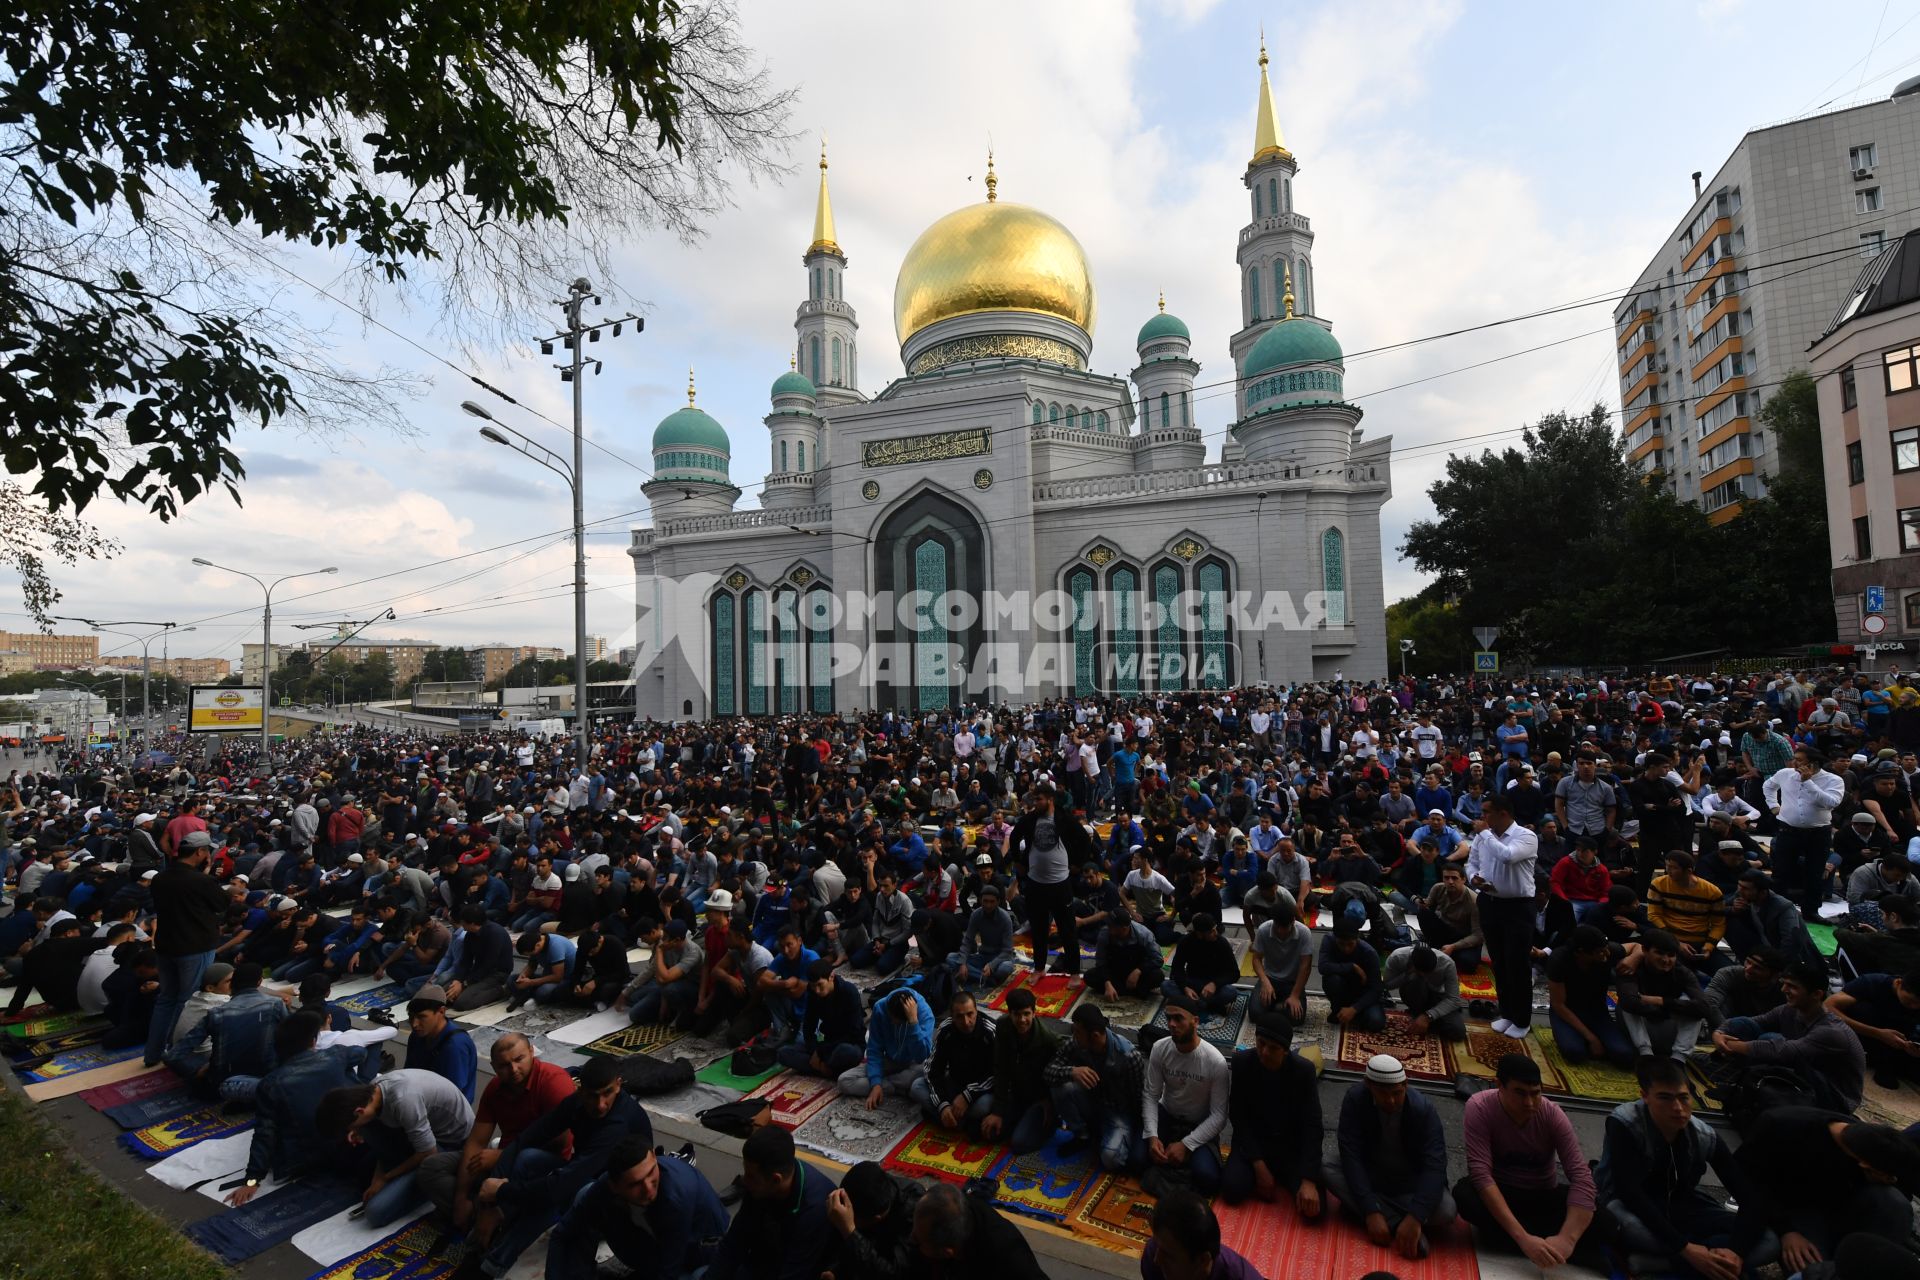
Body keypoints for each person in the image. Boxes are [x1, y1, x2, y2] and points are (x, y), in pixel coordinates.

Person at [466, 1053, 653, 1279]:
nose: (601, 1105)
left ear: (619, 1085)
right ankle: (498, 1221)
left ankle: (491, 1266)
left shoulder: (617, 1125)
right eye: (593, 1096)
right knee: (527, 1158)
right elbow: (531, 1135)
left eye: (608, 1094)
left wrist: (502, 1191)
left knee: (554, 1200)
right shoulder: (577, 1103)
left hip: (619, 1197)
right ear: (581, 1091)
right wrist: (490, 1204)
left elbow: (560, 1187)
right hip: (583, 1171)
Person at [1595, 1057, 1769, 1280]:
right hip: (1631, 1207)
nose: (1677, 1108)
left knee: (1769, 1241)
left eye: (1683, 1098)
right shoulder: (1625, 1123)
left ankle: (1667, 1263)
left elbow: (1749, 1197)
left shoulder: (1704, 1135)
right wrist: (1686, 1248)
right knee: (1627, 1226)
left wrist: (1736, 1253)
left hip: (1683, 1207)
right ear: (1645, 1096)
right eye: (1665, 1098)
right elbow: (1629, 1193)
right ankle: (1696, 1258)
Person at [1455, 1054, 1610, 1270]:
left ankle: (1520, 1242)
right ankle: (1532, 1242)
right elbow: (1481, 1175)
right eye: (1520, 1093)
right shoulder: (1479, 1107)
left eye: (1535, 1094)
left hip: (1541, 1194)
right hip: (1503, 1193)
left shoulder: (1552, 1115)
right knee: (1464, 1196)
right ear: (1499, 1085)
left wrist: (1567, 1240)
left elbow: (1581, 1178)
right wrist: (1523, 1239)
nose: (1529, 1103)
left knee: (1607, 1221)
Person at [416, 1032, 576, 1224]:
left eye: (519, 1059)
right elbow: (476, 1142)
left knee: (525, 1159)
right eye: (504, 1065)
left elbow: (561, 1143)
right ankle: (479, 1213)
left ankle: (489, 1217)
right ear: (494, 1067)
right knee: (431, 1167)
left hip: (542, 1163)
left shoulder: (553, 1081)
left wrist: (504, 1155)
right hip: (503, 1158)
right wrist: (461, 1199)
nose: (514, 1069)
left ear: (532, 1052)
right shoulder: (495, 1089)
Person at [1736, 1107, 1920, 1271]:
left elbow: (1899, 1189)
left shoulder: (1869, 1148)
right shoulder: (1783, 1127)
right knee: (1813, 1267)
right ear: (1865, 1165)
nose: (1892, 1179)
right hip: (1790, 1209)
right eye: (1889, 1175)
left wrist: (1884, 1182)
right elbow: (1747, 1183)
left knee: (1894, 1202)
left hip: (1840, 1206)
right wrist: (1786, 1231)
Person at [1323, 1054, 1456, 1261]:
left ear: (1406, 1085)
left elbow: (1434, 1166)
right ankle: (1393, 1222)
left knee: (1447, 1211)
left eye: (1397, 1093)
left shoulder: (1422, 1109)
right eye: (1383, 1094)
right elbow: (1351, 1156)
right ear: (1368, 1085)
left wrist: (1416, 1216)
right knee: (1327, 1167)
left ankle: (1373, 1212)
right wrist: (1370, 1210)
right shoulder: (1356, 1100)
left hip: (1408, 1184)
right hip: (1373, 1176)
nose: (1391, 1101)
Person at [225, 1012, 360, 1204]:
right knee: (349, 1075)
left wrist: (252, 1180)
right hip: (340, 1147)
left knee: (234, 1085)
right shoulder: (336, 1055)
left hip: (300, 1159)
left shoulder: (271, 1083)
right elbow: (360, 1053)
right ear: (313, 1042)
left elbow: (265, 1133)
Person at [545, 1136, 726, 1280]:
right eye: (635, 1184)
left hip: (697, 1249)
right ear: (614, 1186)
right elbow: (561, 1236)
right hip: (647, 1238)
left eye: (651, 1173)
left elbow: (668, 1271)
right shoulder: (603, 1190)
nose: (648, 1188)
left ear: (655, 1157)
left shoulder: (675, 1198)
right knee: (585, 1199)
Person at [316, 1068, 477, 1226]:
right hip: (418, 1136)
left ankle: (431, 1188)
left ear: (359, 1111)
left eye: (350, 1127)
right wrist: (377, 1175)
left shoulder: (404, 1100)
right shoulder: (373, 1091)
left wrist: (385, 1178)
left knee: (376, 1212)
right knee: (365, 1170)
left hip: (450, 1144)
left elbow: (428, 1152)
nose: (351, 1131)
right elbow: (384, 1140)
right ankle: (402, 1182)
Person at [1713, 959, 1867, 1113]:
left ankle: (1747, 1085)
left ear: (1816, 994)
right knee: (1742, 1025)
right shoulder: (1789, 1010)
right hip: (1803, 1075)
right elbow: (1754, 1021)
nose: (1784, 990)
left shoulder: (1832, 1031)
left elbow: (1782, 1051)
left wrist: (1729, 1045)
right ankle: (1742, 1080)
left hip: (1834, 1098)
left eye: (1792, 987)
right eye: (1784, 984)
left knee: (1770, 1040)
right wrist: (1720, 1033)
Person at [1221, 1009, 1323, 1215]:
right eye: (1261, 1044)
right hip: (1255, 1144)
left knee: (1314, 1210)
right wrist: (1259, 1166)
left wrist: (1308, 1180)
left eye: (1273, 1048)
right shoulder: (1243, 1063)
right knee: (1231, 1190)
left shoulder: (1304, 1071)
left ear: (1286, 1051)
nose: (1265, 1052)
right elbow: (1239, 1117)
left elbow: (1313, 1124)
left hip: (1290, 1148)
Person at [144, 828, 229, 1066]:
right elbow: (221, 904)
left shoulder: (160, 877)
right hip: (195, 945)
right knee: (187, 1000)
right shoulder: (201, 880)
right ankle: (176, 1052)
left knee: (166, 999)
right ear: (200, 852)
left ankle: (152, 1053)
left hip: (166, 945)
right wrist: (207, 875)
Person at [708, 1125, 837, 1280]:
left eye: (751, 1176)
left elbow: (795, 1273)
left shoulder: (816, 1208)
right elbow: (734, 1243)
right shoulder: (759, 1186)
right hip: (766, 1261)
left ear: (776, 1179)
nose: (744, 1181)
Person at [1466, 792, 1539, 1039]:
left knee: (1517, 964)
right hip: (1490, 902)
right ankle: (1507, 1013)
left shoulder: (1526, 836)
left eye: (1487, 812)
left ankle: (1522, 1019)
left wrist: (1484, 833)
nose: (1482, 817)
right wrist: (1473, 878)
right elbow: (1471, 862)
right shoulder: (1482, 838)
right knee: (1499, 962)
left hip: (1518, 906)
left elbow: (1507, 857)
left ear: (1503, 813)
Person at [1142, 996, 1230, 1195]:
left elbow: (1218, 1116)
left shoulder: (1215, 1061)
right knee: (1137, 1159)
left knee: (1208, 1178)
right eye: (1168, 1018)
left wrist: (1187, 1145)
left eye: (1178, 1018)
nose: (1172, 1024)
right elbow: (1151, 1095)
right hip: (1168, 1113)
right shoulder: (1159, 1048)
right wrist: (1152, 1136)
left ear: (1195, 1021)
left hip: (1198, 1123)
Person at [1045, 1002, 1144, 1172]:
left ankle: (1107, 1136)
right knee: (1061, 1085)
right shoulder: (1076, 1043)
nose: (1073, 1036)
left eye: (1077, 1032)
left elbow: (1139, 1098)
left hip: (1117, 1112)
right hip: (1090, 1102)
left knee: (1111, 1159)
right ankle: (1082, 1135)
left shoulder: (1128, 1056)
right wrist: (1072, 1071)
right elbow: (1048, 1073)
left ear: (1096, 1036)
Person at [1009, 785, 1093, 978]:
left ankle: (1073, 971)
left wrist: (1078, 864)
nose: (1035, 803)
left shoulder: (1063, 818)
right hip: (1036, 883)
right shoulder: (1030, 819)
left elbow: (1085, 840)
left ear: (1050, 800)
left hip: (1060, 883)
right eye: (1034, 799)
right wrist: (1018, 861)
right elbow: (1014, 836)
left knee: (1067, 929)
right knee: (1039, 929)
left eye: (1039, 799)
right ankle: (1039, 968)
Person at [907, 1181, 1047, 1279]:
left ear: (947, 1252)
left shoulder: (1010, 1259)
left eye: (918, 1241)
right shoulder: (940, 1214)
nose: (910, 1237)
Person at [982, 983, 1057, 1152]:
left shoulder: (1048, 1040)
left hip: (1039, 1099)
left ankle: (1044, 1124)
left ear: (1034, 1013)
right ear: (1009, 1014)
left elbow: (1058, 1075)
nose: (1022, 1020)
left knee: (1020, 1143)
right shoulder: (1003, 1026)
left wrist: (1049, 1102)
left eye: (1026, 1014)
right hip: (1016, 1094)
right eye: (1017, 1015)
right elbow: (1000, 1068)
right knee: (987, 1132)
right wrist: (998, 1111)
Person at [1546, 925, 1635, 1068]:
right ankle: (1582, 1037)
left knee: (1624, 1055)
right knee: (1575, 1053)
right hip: (1567, 1012)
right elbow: (1559, 1005)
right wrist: (1592, 1038)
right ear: (1580, 953)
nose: (1606, 955)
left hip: (1597, 1012)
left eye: (1606, 949)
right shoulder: (1559, 959)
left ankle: (1597, 1037)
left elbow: (1637, 947)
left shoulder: (1606, 950)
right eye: (1600, 952)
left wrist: (1633, 959)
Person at [1615, 930, 1708, 1067]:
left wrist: (1661, 1001)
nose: (1665, 960)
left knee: (1694, 1007)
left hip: (1666, 1028)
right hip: (1639, 1028)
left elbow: (1704, 1007)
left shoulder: (1682, 972)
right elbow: (1630, 1002)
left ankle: (1678, 1059)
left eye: (1671, 955)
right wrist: (1671, 1009)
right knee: (1626, 1004)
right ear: (1645, 951)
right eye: (1659, 953)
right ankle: (1646, 1055)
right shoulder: (1630, 967)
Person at [821, 1160, 924, 1280]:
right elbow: (836, 1245)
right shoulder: (865, 1193)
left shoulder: (915, 1213)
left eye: (853, 1222)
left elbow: (893, 1273)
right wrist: (834, 1270)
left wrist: (849, 1231)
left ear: (877, 1219)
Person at [913, 988, 996, 1135]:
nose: (966, 1022)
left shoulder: (990, 1031)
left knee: (983, 1107)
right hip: (954, 1083)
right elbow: (932, 1070)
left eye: (970, 1014)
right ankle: (957, 1120)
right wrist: (943, 1105)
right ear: (952, 1016)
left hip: (980, 1091)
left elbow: (998, 1073)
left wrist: (967, 1096)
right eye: (959, 1017)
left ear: (977, 1011)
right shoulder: (946, 1029)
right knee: (917, 1087)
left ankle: (949, 1120)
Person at [840, 985, 934, 1106]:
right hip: (890, 1060)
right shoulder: (881, 1008)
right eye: (891, 1019)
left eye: (897, 1022)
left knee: (923, 1073)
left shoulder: (924, 1013)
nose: (893, 1023)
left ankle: (892, 1085)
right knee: (845, 1081)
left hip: (914, 1063)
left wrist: (913, 1023)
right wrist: (876, 1084)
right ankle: (897, 1088)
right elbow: (874, 1049)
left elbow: (922, 1055)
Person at [1829, 967, 1920, 1088]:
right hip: (1861, 1034)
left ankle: (1887, 1064)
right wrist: (1877, 1033)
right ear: (1899, 983)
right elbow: (1828, 1008)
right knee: (1862, 1009)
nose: (1914, 1007)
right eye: (1910, 1001)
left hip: (1896, 1047)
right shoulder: (1873, 983)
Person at [1141, 1189, 1262, 1280]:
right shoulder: (1152, 1254)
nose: (1157, 1260)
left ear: (1203, 1261)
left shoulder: (1240, 1276)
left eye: (1169, 1256)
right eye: (1158, 1245)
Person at [779, 958, 866, 1080]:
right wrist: (815, 1050)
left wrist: (820, 1052)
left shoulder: (849, 992)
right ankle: (827, 1070)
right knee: (783, 1053)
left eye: (820, 985)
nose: (817, 990)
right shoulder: (813, 993)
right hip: (826, 1044)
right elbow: (809, 1027)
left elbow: (854, 1033)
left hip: (847, 1044)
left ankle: (822, 1068)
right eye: (813, 986)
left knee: (846, 1052)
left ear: (831, 977)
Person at [1645, 850, 1726, 973]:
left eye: (1674, 868)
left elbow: (1719, 924)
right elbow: (1654, 915)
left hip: (1700, 942)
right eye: (1667, 866)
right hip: (1670, 941)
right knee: (1680, 973)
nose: (1668, 871)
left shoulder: (1712, 891)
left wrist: (1708, 947)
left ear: (1688, 871)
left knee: (1727, 970)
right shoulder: (1659, 884)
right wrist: (1676, 942)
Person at [1724, 870, 1821, 968]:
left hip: (1792, 959)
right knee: (1729, 923)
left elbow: (1791, 943)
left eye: (1745, 888)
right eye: (1739, 885)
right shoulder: (1742, 893)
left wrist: (1775, 968)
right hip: (1764, 943)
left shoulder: (1783, 907)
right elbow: (1719, 908)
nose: (1740, 890)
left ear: (1762, 893)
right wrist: (1733, 910)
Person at [399, 983, 478, 1101]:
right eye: (411, 1017)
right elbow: (408, 1075)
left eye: (422, 1017)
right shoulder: (417, 1036)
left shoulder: (455, 1045)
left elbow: (451, 1097)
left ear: (441, 1012)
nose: (414, 1024)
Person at [621, 920, 703, 1028]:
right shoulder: (667, 946)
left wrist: (659, 951)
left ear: (676, 940)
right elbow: (660, 979)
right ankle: (663, 1006)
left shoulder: (692, 952)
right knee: (632, 997)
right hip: (667, 985)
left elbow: (665, 978)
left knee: (635, 1015)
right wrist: (664, 1003)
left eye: (665, 938)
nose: (662, 941)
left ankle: (680, 1010)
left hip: (690, 986)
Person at [1382, 942, 1467, 1041]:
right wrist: (1408, 974)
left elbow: (1453, 999)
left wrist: (1428, 1016)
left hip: (1438, 997)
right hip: (1414, 994)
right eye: (1421, 972)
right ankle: (1419, 1013)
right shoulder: (1398, 957)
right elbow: (1387, 985)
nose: (1425, 975)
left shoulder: (1447, 963)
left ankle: (1423, 1017)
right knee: (1416, 979)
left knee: (1458, 1032)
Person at [1164, 911, 1239, 1018]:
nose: (1216, 933)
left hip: (1214, 986)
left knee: (1230, 993)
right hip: (1192, 982)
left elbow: (1234, 973)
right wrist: (1185, 987)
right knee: (1166, 986)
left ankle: (1193, 1005)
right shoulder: (1186, 942)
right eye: (1211, 931)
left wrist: (1215, 984)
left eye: (1215, 928)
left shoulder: (1221, 943)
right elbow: (1177, 968)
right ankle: (1206, 1005)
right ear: (1200, 934)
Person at [1319, 920, 1387, 1033]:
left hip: (1363, 994)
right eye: (1341, 944)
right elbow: (1323, 967)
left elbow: (1376, 989)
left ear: (1357, 939)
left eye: (1350, 944)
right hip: (1342, 989)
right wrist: (1351, 967)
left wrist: (1355, 1008)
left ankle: (1354, 1014)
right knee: (1332, 980)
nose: (1346, 949)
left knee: (1376, 1022)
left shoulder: (1369, 953)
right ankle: (1337, 1010)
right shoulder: (1329, 940)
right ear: (1335, 939)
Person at [443, 905, 514, 1012]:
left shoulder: (495, 933)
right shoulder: (470, 935)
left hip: (496, 973)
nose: (461, 925)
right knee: (444, 995)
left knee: (461, 1003)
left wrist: (464, 984)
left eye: (463, 922)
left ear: (471, 923)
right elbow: (465, 960)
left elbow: (489, 964)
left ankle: (501, 990)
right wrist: (458, 980)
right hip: (477, 972)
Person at [1251, 898, 1313, 1020]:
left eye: (1285, 928)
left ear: (1293, 921)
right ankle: (1279, 1006)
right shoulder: (1264, 929)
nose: (1280, 931)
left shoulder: (1304, 933)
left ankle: (1277, 1006)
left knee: (1297, 1018)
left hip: (1292, 982)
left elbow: (1305, 966)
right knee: (1255, 1013)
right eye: (1277, 927)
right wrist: (1265, 982)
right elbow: (1256, 959)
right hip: (1270, 978)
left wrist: (1295, 995)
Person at [947, 881, 1015, 991]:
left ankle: (976, 974)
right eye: (985, 901)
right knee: (951, 958)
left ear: (998, 902)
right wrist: (962, 963)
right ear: (980, 900)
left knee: (1005, 968)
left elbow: (1007, 950)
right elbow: (968, 940)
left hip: (999, 958)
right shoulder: (976, 915)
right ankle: (986, 978)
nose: (988, 905)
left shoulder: (1005, 918)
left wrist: (991, 966)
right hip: (983, 955)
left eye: (992, 902)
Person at [1087, 909, 1163, 1001]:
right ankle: (1133, 991)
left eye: (1112, 926)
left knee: (1158, 976)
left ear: (1123, 928)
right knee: (1089, 976)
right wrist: (1107, 982)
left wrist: (1138, 971)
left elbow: (1158, 959)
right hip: (1115, 971)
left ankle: (1122, 990)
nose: (1109, 928)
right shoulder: (1104, 933)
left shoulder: (1144, 934)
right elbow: (1100, 962)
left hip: (1137, 972)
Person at [1703, 946, 1784, 1028]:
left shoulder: (1784, 987)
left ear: (1774, 975)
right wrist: (1725, 1030)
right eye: (1748, 962)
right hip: (1728, 1024)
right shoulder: (1730, 974)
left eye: (1757, 968)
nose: (1748, 969)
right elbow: (1709, 1002)